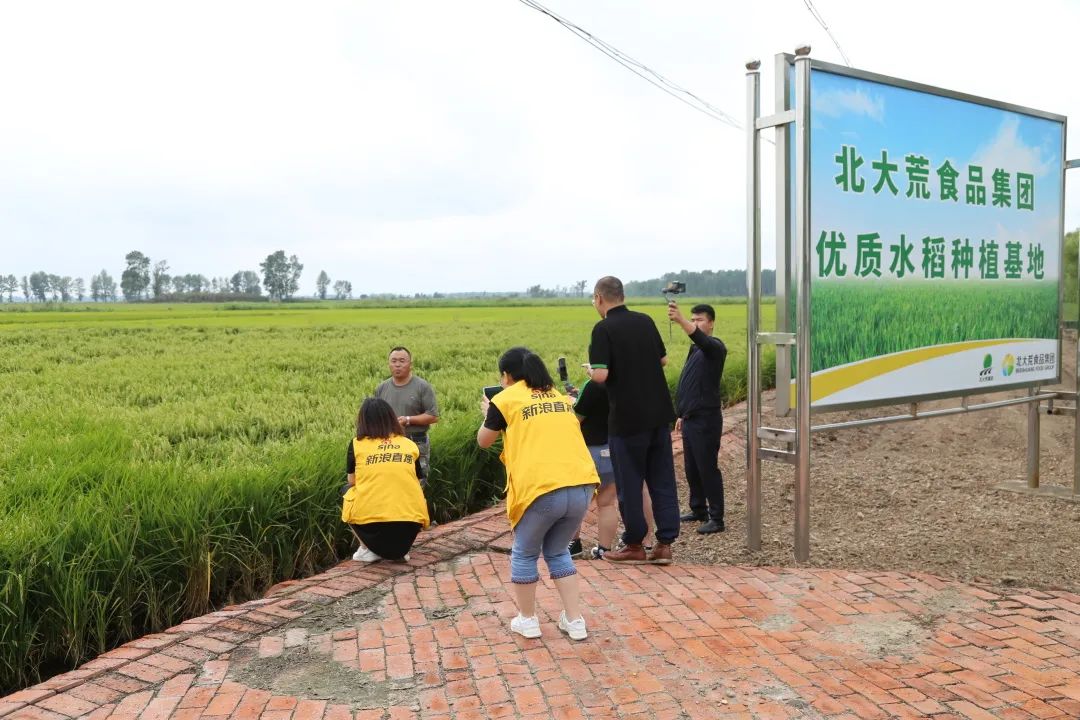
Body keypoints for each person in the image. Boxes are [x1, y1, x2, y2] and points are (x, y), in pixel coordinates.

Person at [476, 347, 600, 641]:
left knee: (524, 552)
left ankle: (528, 620)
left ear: (506, 376)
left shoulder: (503, 399)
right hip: (581, 484)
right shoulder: (558, 397)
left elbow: (484, 441)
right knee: (557, 551)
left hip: (541, 488)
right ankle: (575, 621)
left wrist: (488, 414)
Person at [588, 276, 680, 564]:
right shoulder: (645, 320)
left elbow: (601, 376)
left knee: (629, 482)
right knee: (662, 479)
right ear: (623, 295)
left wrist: (591, 370)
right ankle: (664, 544)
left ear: (600, 298)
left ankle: (635, 545)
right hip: (658, 415)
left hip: (627, 419)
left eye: (594, 300)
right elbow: (663, 360)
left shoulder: (603, 328)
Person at [343, 397, 430, 562]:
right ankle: (401, 549)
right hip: (409, 526)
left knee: (347, 490)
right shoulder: (408, 444)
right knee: (414, 488)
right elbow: (418, 480)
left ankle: (366, 549)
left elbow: (352, 481)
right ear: (391, 418)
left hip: (371, 526)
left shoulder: (357, 444)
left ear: (363, 421)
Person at [668, 301, 728, 534]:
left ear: (711, 323)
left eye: (699, 320)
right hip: (691, 418)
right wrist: (682, 413)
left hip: (706, 419)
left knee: (707, 468)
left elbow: (701, 339)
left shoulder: (715, 348)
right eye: (692, 320)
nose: (695, 323)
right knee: (692, 467)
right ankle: (698, 509)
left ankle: (717, 518)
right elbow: (690, 382)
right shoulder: (695, 351)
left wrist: (680, 320)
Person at [566, 366, 619, 560]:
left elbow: (575, 419)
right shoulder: (622, 381)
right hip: (612, 449)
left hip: (590, 452)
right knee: (606, 503)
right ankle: (604, 550)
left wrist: (573, 401)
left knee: (577, 502)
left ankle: (574, 545)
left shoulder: (593, 386)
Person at [374, 346, 439, 480]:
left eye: (402, 361)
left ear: (410, 364)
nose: (397, 364)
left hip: (416, 441)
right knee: (393, 481)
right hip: (389, 443)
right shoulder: (382, 388)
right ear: (389, 364)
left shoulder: (422, 386)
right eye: (394, 361)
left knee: (417, 480)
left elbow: (433, 416)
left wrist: (408, 420)